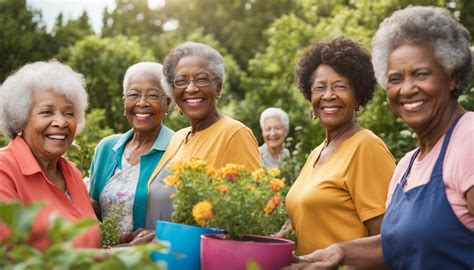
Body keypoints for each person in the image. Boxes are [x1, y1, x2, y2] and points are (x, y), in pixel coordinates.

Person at [286, 6, 474, 270]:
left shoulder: (469, 140)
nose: (407, 89)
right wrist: (337, 252)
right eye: (396, 78)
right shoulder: (406, 167)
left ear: (451, 76)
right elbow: (394, 245)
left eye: (421, 74)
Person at [276, 37, 396, 256]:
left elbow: (389, 244)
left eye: (340, 86)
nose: (328, 95)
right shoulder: (316, 153)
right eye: (319, 87)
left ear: (358, 97)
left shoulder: (366, 147)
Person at [142, 41, 261, 232]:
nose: (190, 88)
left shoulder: (234, 134)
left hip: (201, 258)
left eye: (201, 79)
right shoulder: (178, 138)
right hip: (163, 256)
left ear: (218, 87)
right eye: (181, 81)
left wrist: (167, 237)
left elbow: (248, 218)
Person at [0, 60, 99, 249]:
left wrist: (122, 250)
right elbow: (9, 256)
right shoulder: (4, 169)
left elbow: (85, 247)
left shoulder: (71, 173)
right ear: (20, 120)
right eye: (47, 112)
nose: (61, 122)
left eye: (69, 113)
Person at [88, 62, 174, 234]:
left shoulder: (179, 149)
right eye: (133, 95)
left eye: (153, 95)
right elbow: (93, 207)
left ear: (167, 103)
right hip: (108, 256)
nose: (142, 103)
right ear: (124, 102)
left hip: (157, 255)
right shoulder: (107, 148)